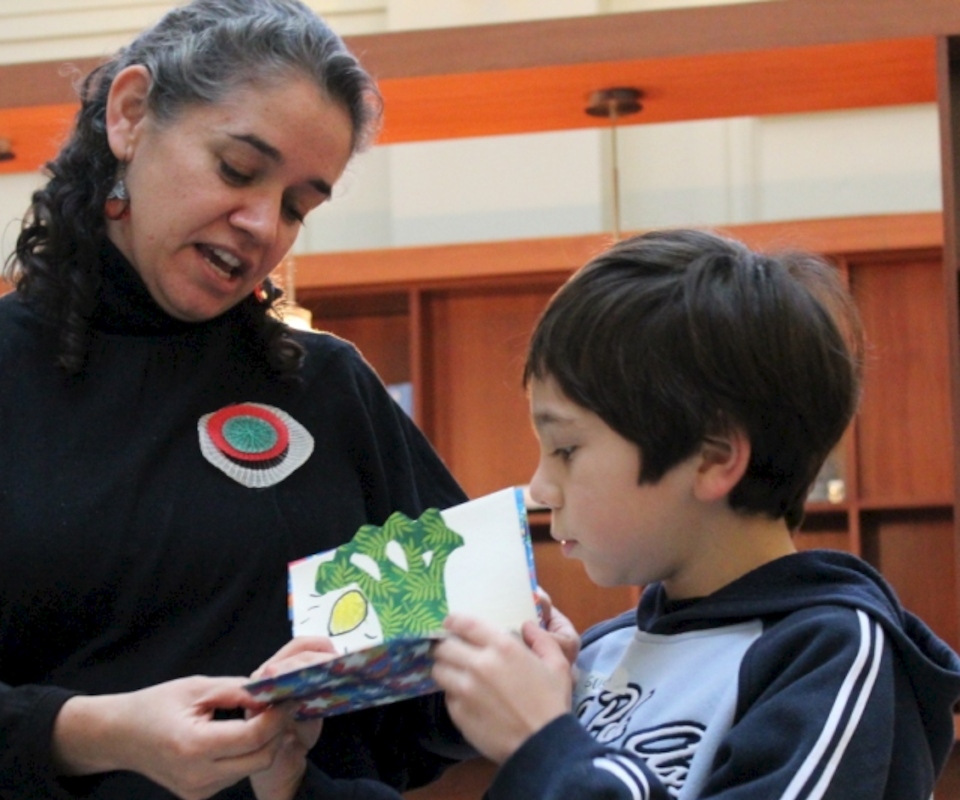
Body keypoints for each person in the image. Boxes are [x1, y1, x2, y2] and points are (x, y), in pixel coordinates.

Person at [0, 2, 468, 799]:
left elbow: (429, 695)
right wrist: (99, 732)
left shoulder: (329, 389)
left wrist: (501, 663)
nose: (261, 225)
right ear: (131, 114)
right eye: (238, 169)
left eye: (297, 206)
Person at [254, 228, 960, 800]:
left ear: (714, 458)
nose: (539, 487)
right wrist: (296, 784)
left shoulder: (833, 654)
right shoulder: (601, 654)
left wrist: (545, 745)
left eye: (566, 448)